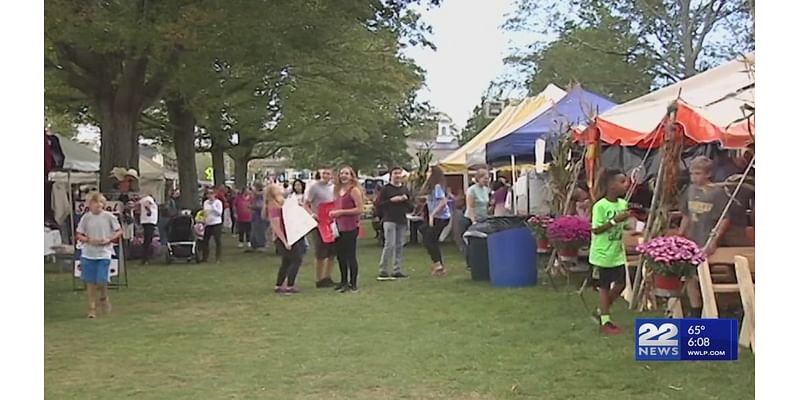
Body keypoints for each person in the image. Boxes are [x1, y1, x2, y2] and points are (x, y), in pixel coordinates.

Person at [679, 156, 730, 318]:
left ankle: (713, 307)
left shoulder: (717, 192)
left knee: (705, 275)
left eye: (698, 173)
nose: (694, 177)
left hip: (706, 239)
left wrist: (714, 240)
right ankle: (695, 309)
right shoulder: (690, 190)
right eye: (692, 173)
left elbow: (725, 219)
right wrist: (680, 235)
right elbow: (686, 215)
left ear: (708, 174)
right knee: (689, 275)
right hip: (692, 239)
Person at [589, 169, 630, 335]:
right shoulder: (600, 206)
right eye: (622, 182)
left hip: (617, 254)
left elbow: (623, 225)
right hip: (601, 255)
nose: (626, 184)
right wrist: (614, 221)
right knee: (604, 287)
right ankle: (605, 321)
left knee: (622, 284)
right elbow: (596, 229)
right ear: (611, 185)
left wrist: (629, 227)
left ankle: (602, 310)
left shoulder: (623, 204)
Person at [75, 192, 122, 319]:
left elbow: (118, 231)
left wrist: (109, 239)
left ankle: (104, 296)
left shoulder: (109, 217)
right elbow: (79, 234)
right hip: (88, 253)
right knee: (90, 282)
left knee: (102, 279)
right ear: (90, 205)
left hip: (104, 252)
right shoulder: (86, 218)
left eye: (100, 203)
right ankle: (91, 308)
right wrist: (88, 240)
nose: (98, 206)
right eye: (95, 203)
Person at [330, 166, 365, 292]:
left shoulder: (354, 190)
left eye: (346, 173)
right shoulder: (337, 190)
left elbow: (360, 209)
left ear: (351, 176)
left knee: (350, 255)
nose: (344, 176)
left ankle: (353, 283)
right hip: (338, 227)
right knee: (340, 255)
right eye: (341, 173)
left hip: (350, 226)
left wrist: (341, 212)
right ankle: (343, 281)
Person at [376, 167, 413, 281]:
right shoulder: (386, 189)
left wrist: (405, 200)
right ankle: (383, 270)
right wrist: (391, 200)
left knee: (399, 245)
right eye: (395, 173)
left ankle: (397, 270)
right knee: (389, 244)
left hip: (401, 219)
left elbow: (410, 207)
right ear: (391, 175)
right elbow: (378, 204)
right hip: (389, 219)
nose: (397, 175)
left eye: (399, 173)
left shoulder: (404, 189)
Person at [265, 184, 303, 294]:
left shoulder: (281, 202)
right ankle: (290, 285)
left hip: (288, 234)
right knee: (296, 259)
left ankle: (279, 284)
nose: (281, 188)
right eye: (277, 187)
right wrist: (284, 241)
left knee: (286, 261)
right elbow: (276, 226)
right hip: (283, 237)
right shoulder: (273, 205)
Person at [304, 167, 337, 288]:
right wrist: (312, 214)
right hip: (318, 223)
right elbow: (306, 203)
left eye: (328, 173)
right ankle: (318, 279)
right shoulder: (314, 187)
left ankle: (327, 277)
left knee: (332, 251)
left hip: (331, 222)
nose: (325, 175)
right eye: (323, 173)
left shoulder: (334, 188)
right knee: (320, 251)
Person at [421, 165, 451, 276]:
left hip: (441, 217)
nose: (427, 173)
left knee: (429, 240)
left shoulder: (437, 186)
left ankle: (439, 266)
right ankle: (438, 264)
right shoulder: (432, 187)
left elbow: (443, 202)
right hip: (437, 217)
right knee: (428, 237)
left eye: (429, 171)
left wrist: (432, 215)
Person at [201, 189, 224, 263]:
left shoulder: (218, 202)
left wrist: (213, 206)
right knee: (205, 241)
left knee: (217, 241)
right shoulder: (205, 203)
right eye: (208, 194)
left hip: (216, 223)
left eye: (211, 193)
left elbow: (219, 213)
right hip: (208, 223)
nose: (209, 195)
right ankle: (205, 257)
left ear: (214, 194)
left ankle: (218, 258)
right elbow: (205, 212)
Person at [137, 191, 159, 265]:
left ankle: (145, 257)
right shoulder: (148, 199)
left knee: (147, 240)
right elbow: (147, 204)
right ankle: (145, 258)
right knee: (148, 240)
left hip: (146, 221)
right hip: (149, 221)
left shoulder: (143, 199)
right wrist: (149, 211)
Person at [249, 182, 268, 253]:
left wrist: (253, 207)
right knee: (253, 231)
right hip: (255, 216)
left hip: (261, 216)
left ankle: (262, 245)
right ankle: (254, 245)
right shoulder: (256, 197)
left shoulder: (263, 194)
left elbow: (261, 205)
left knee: (260, 231)